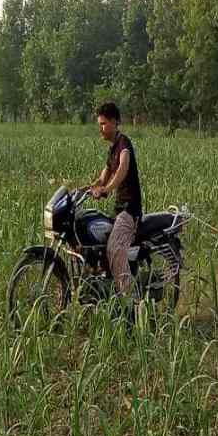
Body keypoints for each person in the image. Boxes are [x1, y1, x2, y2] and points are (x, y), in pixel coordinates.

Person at [88, 102, 144, 298]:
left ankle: (132, 302)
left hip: (130, 210)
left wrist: (107, 189)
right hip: (118, 210)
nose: (100, 128)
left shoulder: (123, 144)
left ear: (113, 122)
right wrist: (86, 189)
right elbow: (103, 177)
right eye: (99, 124)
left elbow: (122, 168)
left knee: (114, 248)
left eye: (103, 124)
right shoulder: (111, 149)